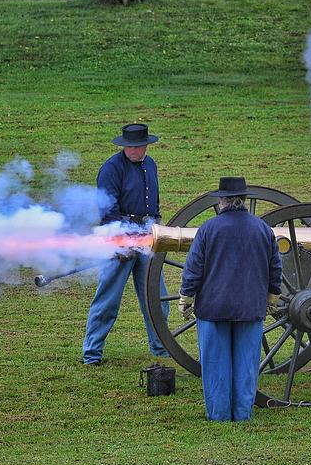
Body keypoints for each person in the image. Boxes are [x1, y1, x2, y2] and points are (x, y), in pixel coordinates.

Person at [178, 177, 282, 422]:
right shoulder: (263, 230)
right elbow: (275, 268)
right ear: (244, 200)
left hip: (214, 308)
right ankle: (242, 414)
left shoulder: (208, 229)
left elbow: (194, 269)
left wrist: (186, 297)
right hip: (250, 307)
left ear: (222, 200)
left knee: (215, 366)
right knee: (246, 367)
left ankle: (219, 415)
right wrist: (272, 297)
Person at [81, 123, 170, 366]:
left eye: (137, 146)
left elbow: (154, 202)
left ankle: (161, 347)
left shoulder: (150, 165)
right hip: (118, 237)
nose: (132, 150)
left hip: (147, 236)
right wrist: (120, 241)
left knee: (157, 298)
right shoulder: (111, 169)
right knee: (108, 300)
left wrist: (156, 225)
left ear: (145, 146)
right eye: (129, 146)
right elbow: (107, 211)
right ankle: (92, 354)